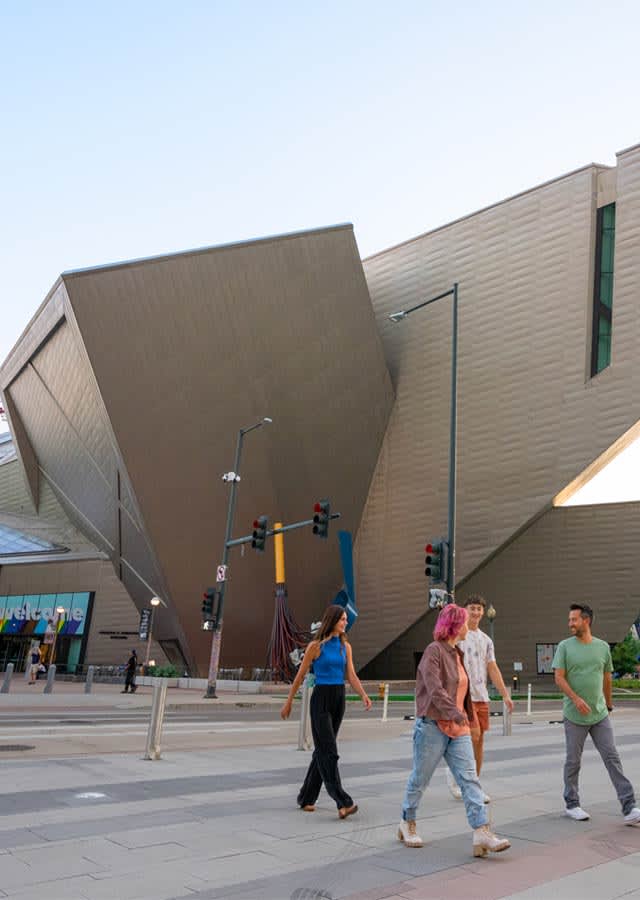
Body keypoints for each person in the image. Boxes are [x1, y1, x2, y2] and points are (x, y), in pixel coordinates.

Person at [397, 603, 511, 857]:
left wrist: (468, 718)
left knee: (470, 779)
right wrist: (456, 714)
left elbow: (465, 691)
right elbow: (434, 689)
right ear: (453, 626)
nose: (467, 627)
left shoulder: (456, 653)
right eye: (463, 622)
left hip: (458, 728)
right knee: (420, 779)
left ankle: (481, 831)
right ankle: (407, 821)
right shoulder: (433, 651)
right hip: (432, 726)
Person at [281, 604, 372, 819]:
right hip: (320, 698)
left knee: (322, 750)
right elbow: (300, 675)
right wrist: (289, 701)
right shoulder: (315, 646)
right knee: (329, 751)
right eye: (342, 619)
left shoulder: (345, 647)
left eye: (345, 619)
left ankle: (306, 797)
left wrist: (363, 694)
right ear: (332, 621)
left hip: (338, 698)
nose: (345, 622)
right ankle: (342, 801)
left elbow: (351, 675)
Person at [553, 603, 640, 824]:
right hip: (574, 716)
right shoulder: (564, 646)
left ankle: (629, 807)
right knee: (573, 761)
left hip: (599, 715)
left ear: (586, 621)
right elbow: (559, 677)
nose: (570, 623)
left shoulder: (602, 647)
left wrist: (608, 705)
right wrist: (576, 699)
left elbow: (607, 678)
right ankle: (572, 804)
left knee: (612, 758)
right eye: (570, 619)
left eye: (574, 619)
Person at [446, 594, 514, 802]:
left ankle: (472, 782)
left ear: (483, 612)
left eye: (479, 609)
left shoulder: (486, 640)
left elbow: (492, 667)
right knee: (470, 736)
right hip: (461, 696)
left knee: (479, 740)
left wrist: (505, 695)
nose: (476, 612)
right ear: (465, 610)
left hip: (480, 695)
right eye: (472, 608)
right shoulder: (457, 636)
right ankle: (462, 780)